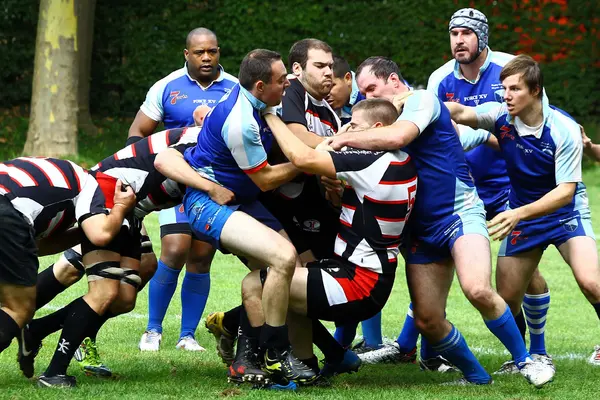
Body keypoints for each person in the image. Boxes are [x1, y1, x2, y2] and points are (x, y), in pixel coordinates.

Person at [327, 56, 554, 387]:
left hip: (459, 214)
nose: (367, 98)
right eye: (361, 93)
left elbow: (398, 138)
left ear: (393, 80)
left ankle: (527, 361)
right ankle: (476, 375)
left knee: (477, 288)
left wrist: (342, 140)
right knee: (428, 319)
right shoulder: (374, 123)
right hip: (418, 231)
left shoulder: (421, 101)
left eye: (372, 88)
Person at [17, 125, 234, 388]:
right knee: (98, 287)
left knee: (124, 298)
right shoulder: (210, 137)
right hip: (108, 194)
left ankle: (35, 330)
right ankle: (51, 369)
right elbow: (163, 159)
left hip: (132, 210)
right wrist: (211, 188)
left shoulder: (223, 136)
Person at [154, 49, 318, 385]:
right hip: (209, 203)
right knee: (283, 258)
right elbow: (266, 179)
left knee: (291, 274)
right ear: (260, 85)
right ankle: (276, 353)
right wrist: (309, 161)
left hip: (241, 201)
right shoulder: (241, 120)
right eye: (281, 78)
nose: (287, 81)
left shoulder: (257, 101)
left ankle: (245, 346)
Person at [239, 98, 416, 380]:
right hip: (370, 277)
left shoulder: (371, 161)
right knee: (285, 285)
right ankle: (306, 368)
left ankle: (269, 362)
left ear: (378, 129)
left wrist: (271, 115)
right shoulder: (401, 159)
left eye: (354, 126)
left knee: (257, 283)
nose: (345, 131)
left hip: (358, 283)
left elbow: (302, 158)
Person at [446, 53, 600, 369]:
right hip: (523, 212)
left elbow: (565, 192)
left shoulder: (564, 129)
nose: (506, 96)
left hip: (565, 214)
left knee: (591, 282)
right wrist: (418, 106)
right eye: (504, 89)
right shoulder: (499, 115)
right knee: (507, 297)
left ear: (535, 90)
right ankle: (529, 357)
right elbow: (459, 111)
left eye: (514, 89)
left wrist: (517, 214)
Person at [126, 27, 237, 352]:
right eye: (199, 52)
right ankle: (152, 329)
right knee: (174, 249)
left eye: (212, 51)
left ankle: (187, 336)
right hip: (174, 183)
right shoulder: (166, 87)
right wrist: (138, 176)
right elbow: (138, 132)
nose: (207, 57)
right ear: (186, 54)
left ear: (218, 53)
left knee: (201, 258)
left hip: (216, 184)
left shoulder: (233, 88)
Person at [0, 156, 136, 359]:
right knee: (18, 309)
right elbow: (101, 234)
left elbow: (36, 247)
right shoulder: (90, 184)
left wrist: (83, 231)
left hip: (8, 203)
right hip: (7, 212)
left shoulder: (56, 175)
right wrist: (120, 208)